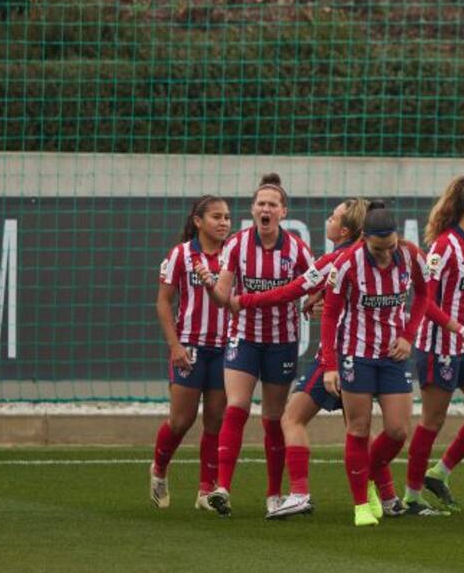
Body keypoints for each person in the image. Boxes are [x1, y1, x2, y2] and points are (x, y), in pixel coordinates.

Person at [235, 197, 370, 520]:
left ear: (345, 229)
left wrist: (244, 300)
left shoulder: (335, 259)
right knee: (357, 427)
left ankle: (298, 493)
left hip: (335, 356)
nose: (328, 220)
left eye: (333, 217)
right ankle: (386, 495)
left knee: (291, 418)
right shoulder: (368, 257)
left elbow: (289, 290)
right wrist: (320, 297)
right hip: (365, 353)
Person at [204, 173, 315, 518]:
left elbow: (316, 285)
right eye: (260, 204)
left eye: (272, 204)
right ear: (253, 210)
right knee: (236, 407)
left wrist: (315, 302)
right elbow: (224, 297)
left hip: (282, 341)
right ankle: (222, 487)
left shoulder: (297, 248)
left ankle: (273, 494)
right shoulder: (236, 245)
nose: (265, 209)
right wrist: (210, 285)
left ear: (283, 212)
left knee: (272, 418)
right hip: (244, 337)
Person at [321, 201, 433, 527]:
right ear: (365, 239)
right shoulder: (347, 263)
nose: (386, 254)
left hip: (393, 356)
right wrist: (331, 364)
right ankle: (360, 504)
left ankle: (364, 474)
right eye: (378, 248)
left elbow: (425, 296)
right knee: (358, 429)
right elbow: (329, 315)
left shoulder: (412, 256)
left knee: (398, 431)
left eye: (390, 246)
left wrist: (409, 335)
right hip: (356, 354)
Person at [404, 176, 464, 516]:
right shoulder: (444, 246)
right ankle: (412, 497)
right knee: (432, 421)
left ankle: (439, 472)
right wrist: (460, 328)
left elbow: (461, 293)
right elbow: (424, 301)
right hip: (439, 345)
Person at [150, 195, 232, 511]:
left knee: (215, 420)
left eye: (227, 217)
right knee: (181, 420)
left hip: (225, 349)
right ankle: (158, 469)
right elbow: (163, 302)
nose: (224, 222)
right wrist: (175, 345)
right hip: (190, 348)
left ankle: (205, 492)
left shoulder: (234, 254)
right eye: (216, 216)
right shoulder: (181, 255)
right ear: (198, 221)